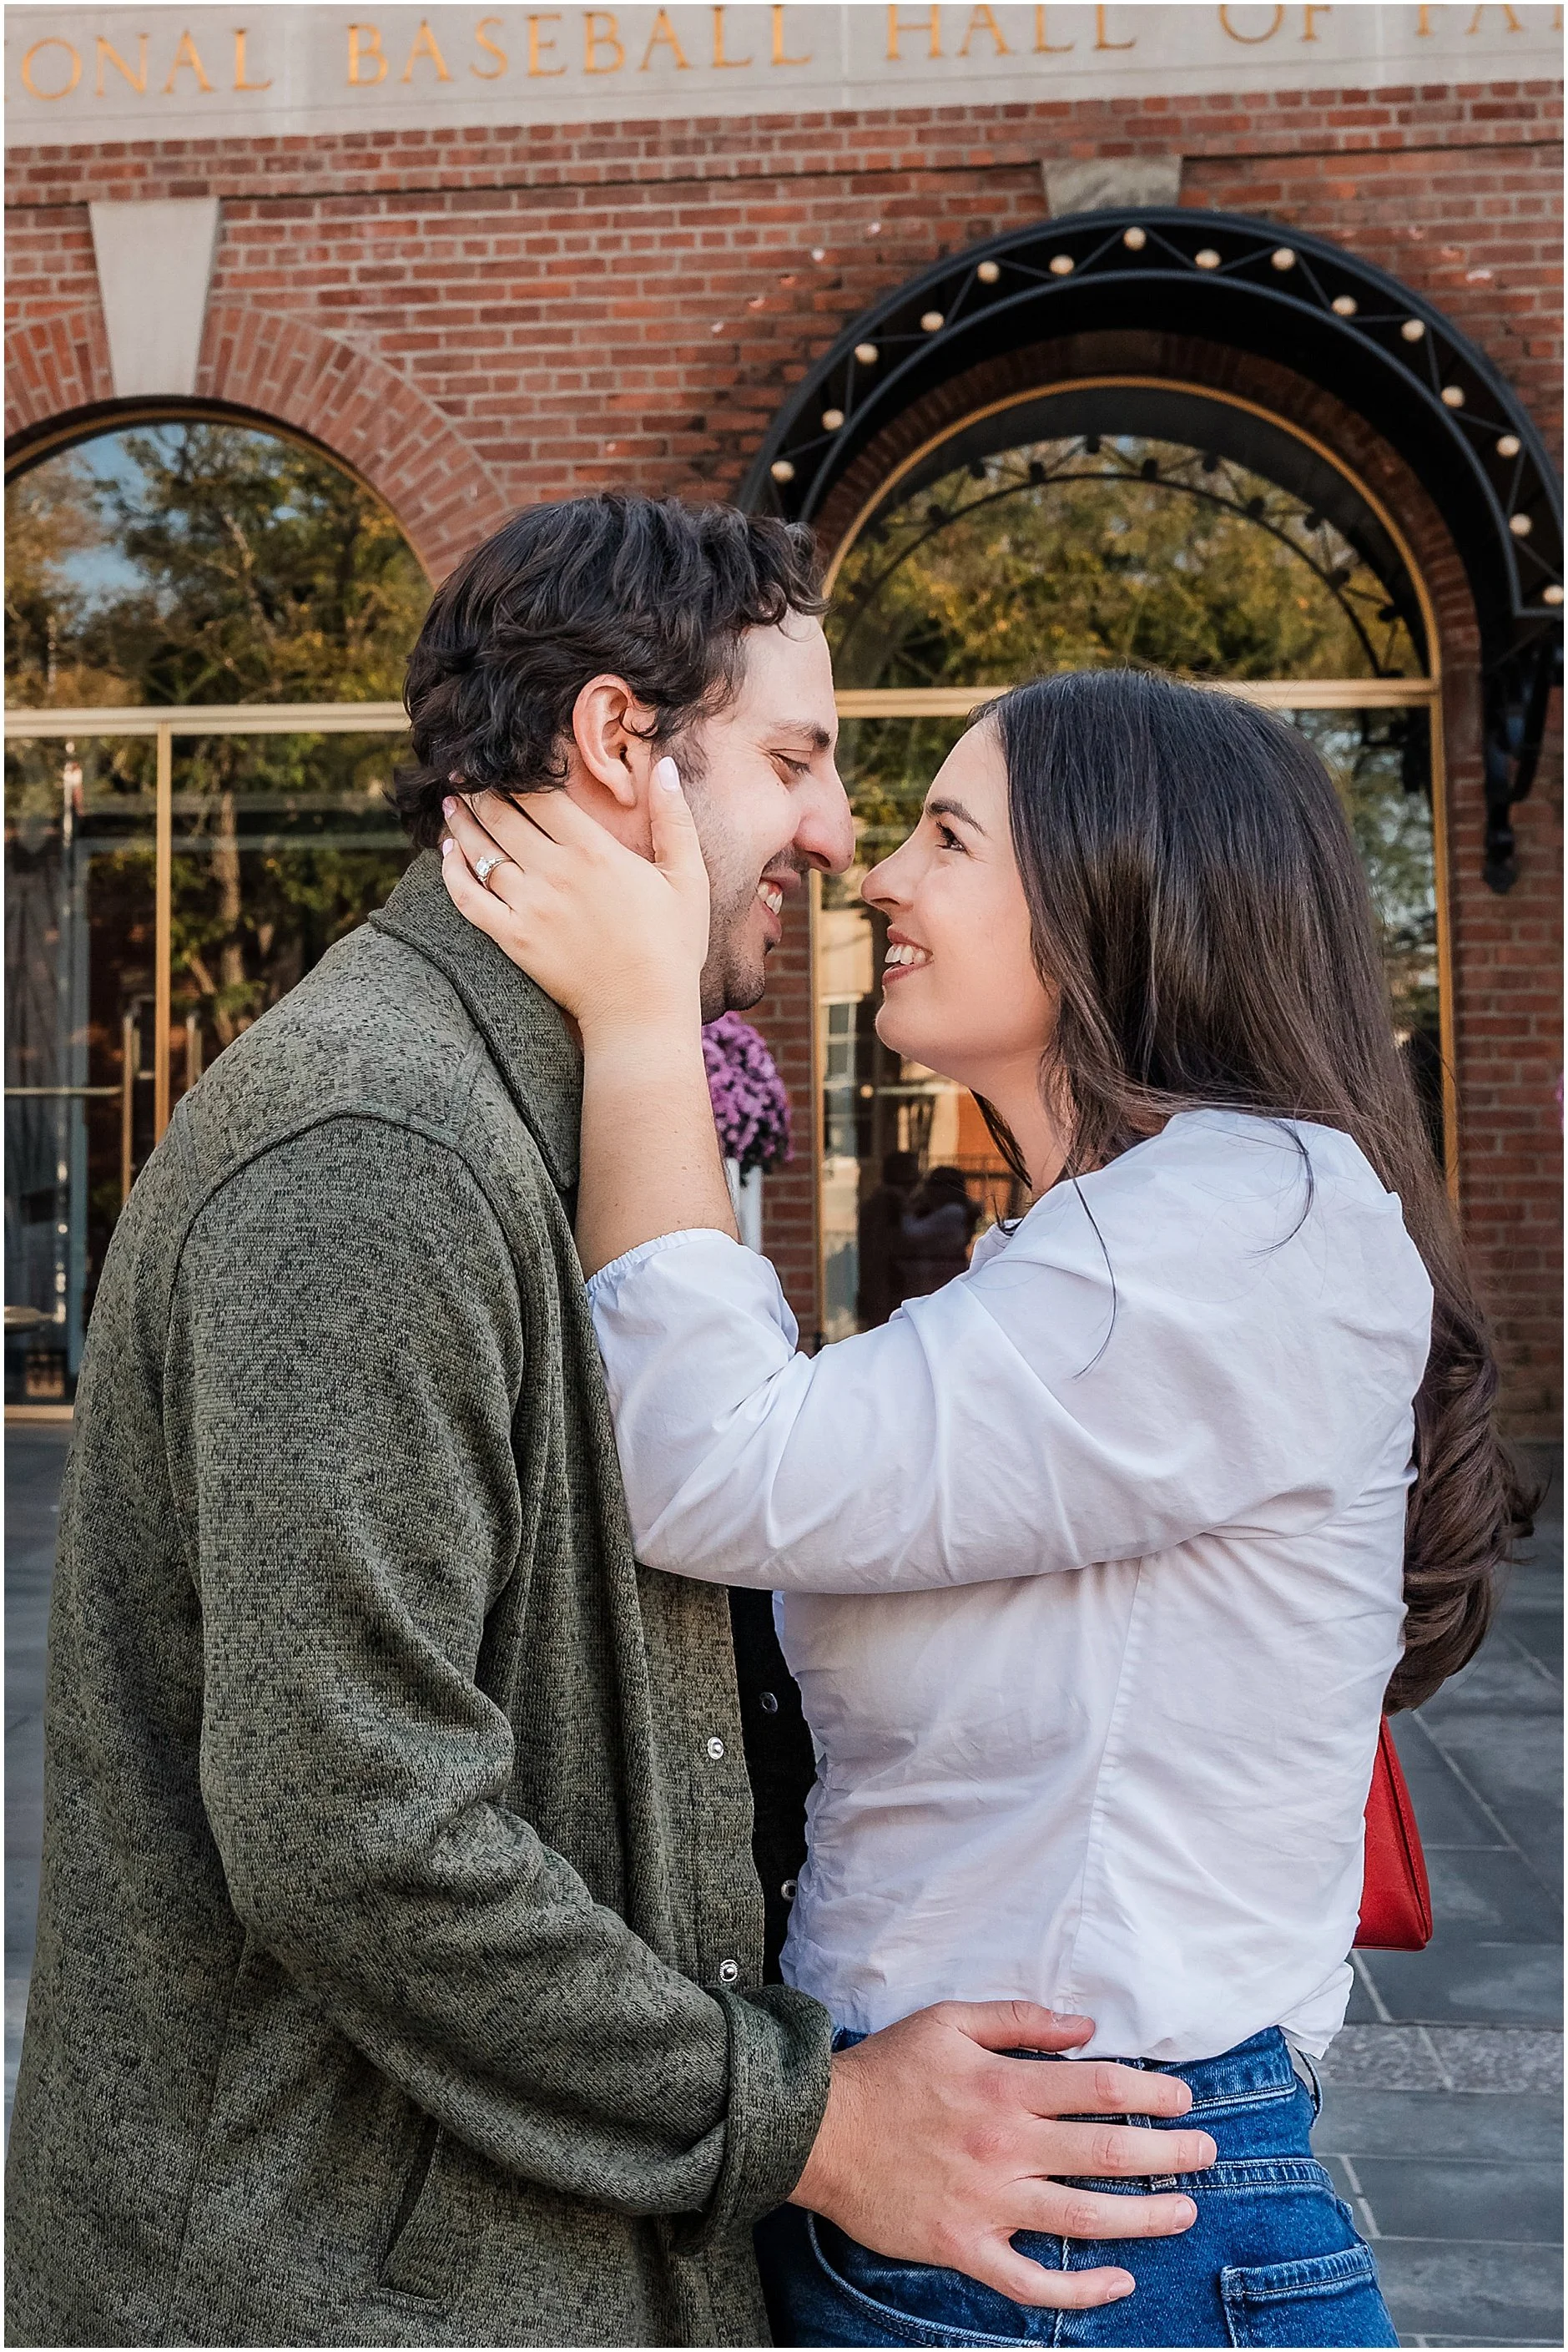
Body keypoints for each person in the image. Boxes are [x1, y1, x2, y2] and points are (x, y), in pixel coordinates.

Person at [5, 501, 1213, 2351]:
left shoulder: (559, 1102)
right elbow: (360, 1828)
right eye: (799, 758)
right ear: (617, 745)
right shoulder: (378, 1149)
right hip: (328, 2290)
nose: (833, 833)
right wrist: (812, 2125)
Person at [441, 664, 1530, 2348]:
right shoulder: (1123, 1237)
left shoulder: (1232, 1226)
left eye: (950, 834)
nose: (877, 870)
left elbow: (714, 1461)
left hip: (1078, 2224)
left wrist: (648, 1024)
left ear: (1118, 895)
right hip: (1011, 2188)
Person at [895, 1162, 981, 1298]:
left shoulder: (952, 1212)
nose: (928, 1190)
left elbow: (912, 1233)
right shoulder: (948, 1210)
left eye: (932, 1186)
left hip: (942, 1273)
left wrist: (907, 1209)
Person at [856, 1148, 920, 1327]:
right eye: (912, 1170)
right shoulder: (890, 1201)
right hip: (887, 1286)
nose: (917, 1177)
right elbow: (892, 1244)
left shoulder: (882, 1199)